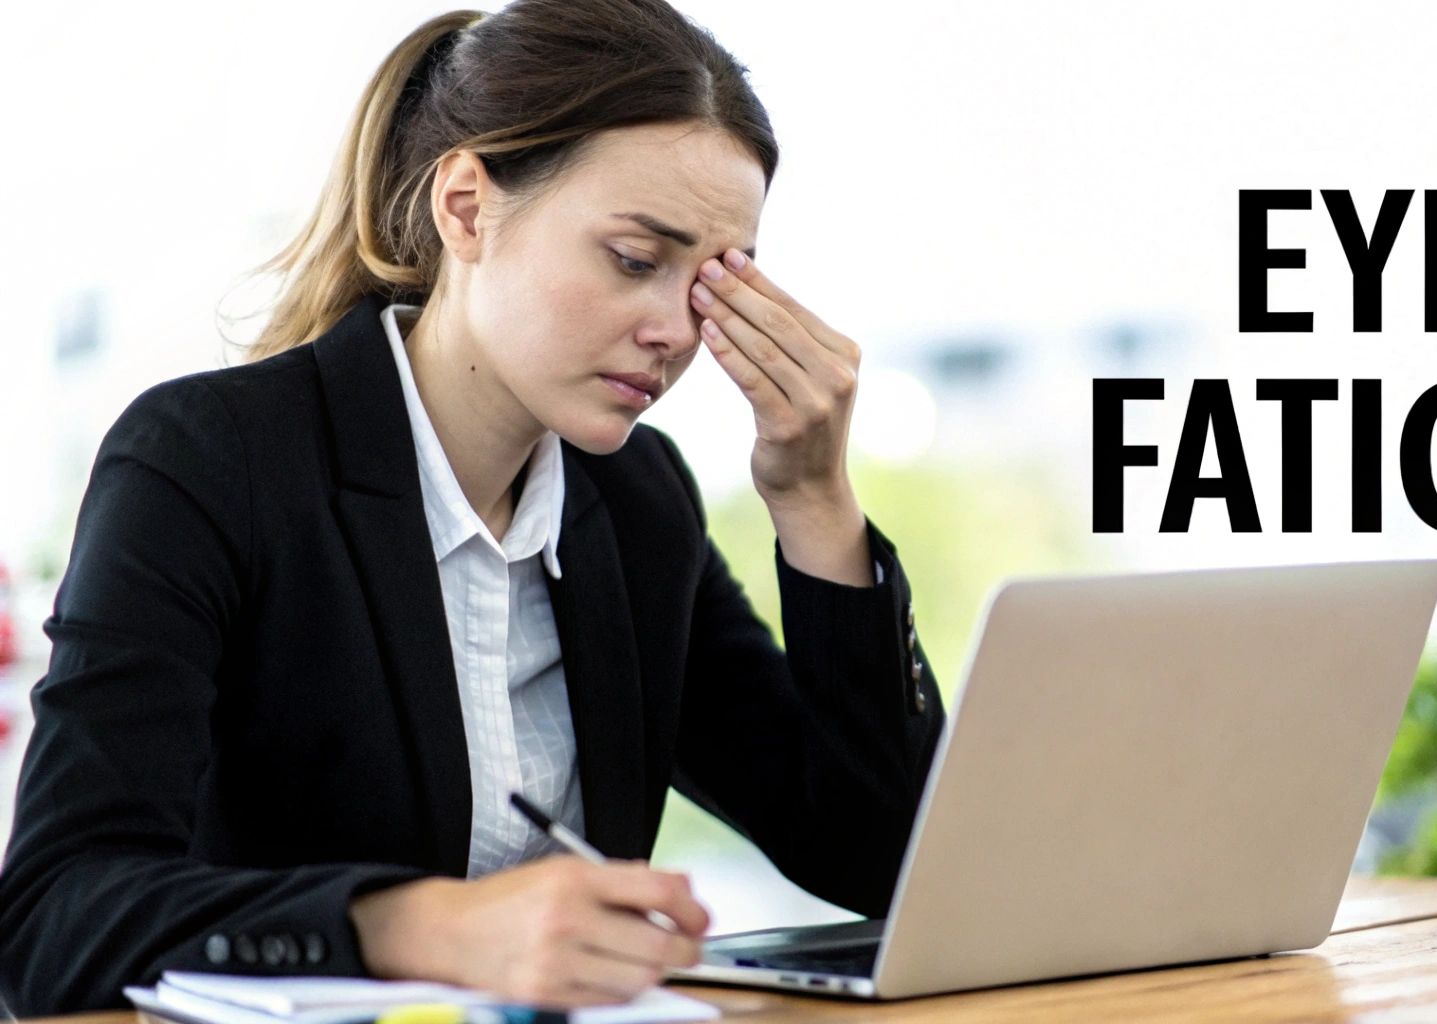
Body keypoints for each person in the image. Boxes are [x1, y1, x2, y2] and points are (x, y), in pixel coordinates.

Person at [0, 0, 945, 1015]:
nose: (676, 331)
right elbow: (53, 918)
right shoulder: (208, 463)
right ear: (465, 208)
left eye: (713, 282)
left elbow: (882, 859)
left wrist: (812, 498)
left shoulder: (635, 502)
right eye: (634, 259)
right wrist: (422, 926)